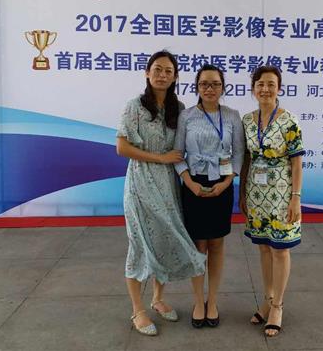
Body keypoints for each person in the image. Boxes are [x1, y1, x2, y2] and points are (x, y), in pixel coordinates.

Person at [116, 50, 206, 336]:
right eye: (157, 69)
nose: (162, 74)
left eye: (168, 70)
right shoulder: (134, 106)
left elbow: (184, 146)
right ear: (147, 73)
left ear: (175, 76)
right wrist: (160, 158)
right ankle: (138, 309)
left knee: (165, 238)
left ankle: (157, 298)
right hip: (140, 181)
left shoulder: (178, 108)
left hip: (168, 184)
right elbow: (122, 147)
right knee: (139, 243)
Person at [174, 64, 245, 328]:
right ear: (197, 87)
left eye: (215, 84)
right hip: (194, 185)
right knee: (197, 246)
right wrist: (189, 182)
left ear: (223, 87)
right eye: (204, 84)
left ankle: (212, 301)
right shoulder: (187, 116)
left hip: (222, 185)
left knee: (216, 244)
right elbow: (177, 154)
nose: (209, 89)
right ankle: (197, 301)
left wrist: (227, 182)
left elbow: (239, 152)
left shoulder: (232, 116)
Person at [239, 65, 305, 338]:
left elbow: (297, 162)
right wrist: (242, 193)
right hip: (256, 193)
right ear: (253, 88)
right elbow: (246, 158)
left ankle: (277, 306)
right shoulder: (247, 120)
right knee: (264, 248)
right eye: (260, 84)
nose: (265, 89)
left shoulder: (289, 120)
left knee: (280, 249)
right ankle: (267, 300)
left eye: (270, 84)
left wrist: (296, 198)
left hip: (282, 193)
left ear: (279, 88)